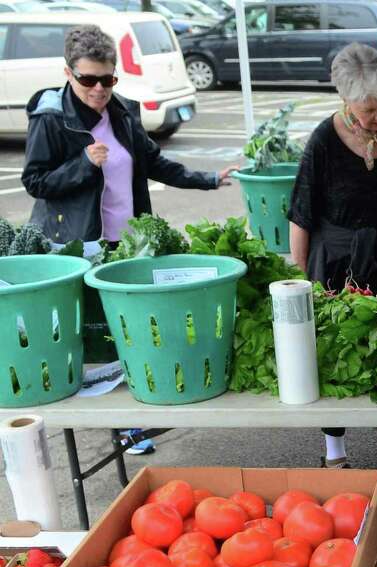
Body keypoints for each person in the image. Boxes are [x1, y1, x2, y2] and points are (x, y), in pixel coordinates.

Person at [22, 24, 235, 457]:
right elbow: (34, 182)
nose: (99, 89)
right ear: (68, 73)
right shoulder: (50, 118)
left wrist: (209, 179)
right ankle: (114, 427)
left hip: (128, 244)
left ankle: (132, 421)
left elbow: (154, 163)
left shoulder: (120, 112)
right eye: (88, 80)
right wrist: (83, 164)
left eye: (108, 79)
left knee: (131, 334)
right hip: (79, 246)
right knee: (95, 339)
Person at [287, 42, 377, 471]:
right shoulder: (324, 141)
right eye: (370, 109)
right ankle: (335, 450)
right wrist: (301, 283)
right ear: (345, 100)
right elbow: (301, 218)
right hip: (333, 263)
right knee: (335, 353)